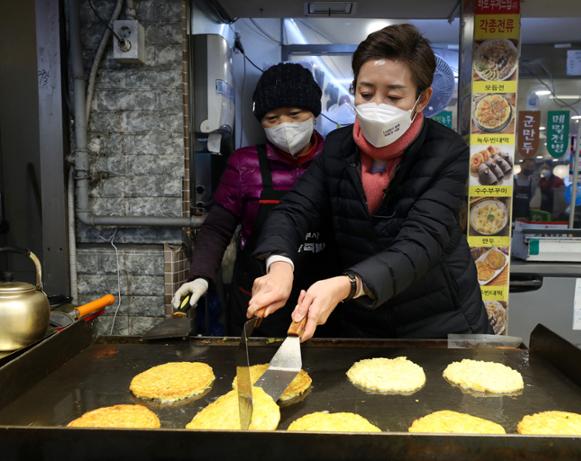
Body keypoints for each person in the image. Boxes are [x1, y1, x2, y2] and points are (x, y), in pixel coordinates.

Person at [248, 24, 491, 341]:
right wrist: (280, 264)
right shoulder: (337, 147)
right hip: (364, 321)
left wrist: (347, 283)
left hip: (439, 322)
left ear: (422, 98)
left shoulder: (447, 152)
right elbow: (294, 209)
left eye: (393, 96)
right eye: (365, 93)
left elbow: (421, 243)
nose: (377, 105)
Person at [173, 63, 334, 336]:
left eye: (294, 115)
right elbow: (217, 227)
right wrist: (200, 274)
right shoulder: (244, 164)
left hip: (321, 298)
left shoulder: (336, 158)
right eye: (272, 118)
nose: (284, 125)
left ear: (313, 113)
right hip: (258, 300)